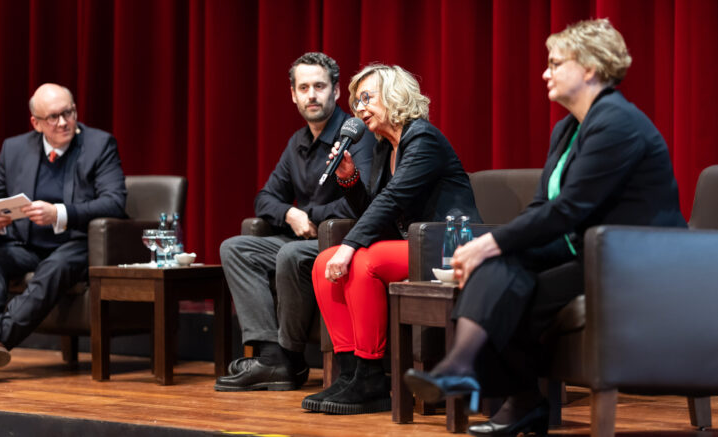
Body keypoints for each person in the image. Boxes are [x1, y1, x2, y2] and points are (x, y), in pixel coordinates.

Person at [404, 19, 687, 436]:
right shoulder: (567, 128)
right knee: (496, 271)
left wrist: (491, 243)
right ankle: (471, 373)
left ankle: (517, 398)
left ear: (589, 69)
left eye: (555, 63)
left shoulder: (618, 123)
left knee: (512, 284)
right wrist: (492, 250)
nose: (545, 72)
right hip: (590, 252)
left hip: (639, 260)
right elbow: (542, 206)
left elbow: (570, 209)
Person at [304, 64, 481, 415]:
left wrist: (352, 245)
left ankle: (371, 375)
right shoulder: (387, 148)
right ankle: (350, 371)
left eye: (367, 98)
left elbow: (394, 199)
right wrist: (350, 178)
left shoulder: (423, 138)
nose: (360, 109)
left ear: (395, 95)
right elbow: (376, 209)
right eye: (356, 103)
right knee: (325, 261)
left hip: (445, 245)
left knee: (363, 260)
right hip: (412, 245)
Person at [0, 83, 127, 383]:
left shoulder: (99, 145)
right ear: (36, 123)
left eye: (69, 112)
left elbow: (115, 202)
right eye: (53, 117)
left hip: (75, 243)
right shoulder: (15, 148)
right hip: (27, 244)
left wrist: (59, 213)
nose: (64, 122)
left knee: (55, 266)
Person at [214, 52, 375, 391]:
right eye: (303, 88)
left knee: (289, 255)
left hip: (338, 241)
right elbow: (265, 198)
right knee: (235, 248)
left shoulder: (355, 135)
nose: (311, 95)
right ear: (293, 94)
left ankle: (289, 356)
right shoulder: (297, 143)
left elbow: (363, 200)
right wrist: (290, 213)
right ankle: (272, 356)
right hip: (301, 238)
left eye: (319, 86)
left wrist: (312, 217)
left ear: (334, 91)